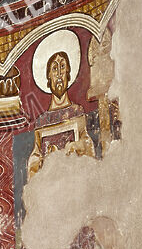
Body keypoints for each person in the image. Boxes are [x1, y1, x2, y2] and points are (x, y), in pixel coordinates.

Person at [28, 50, 94, 179]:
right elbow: (36, 154)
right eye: (54, 69)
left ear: (68, 74)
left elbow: (86, 143)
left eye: (62, 67)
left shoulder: (76, 111)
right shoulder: (42, 121)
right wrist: (37, 164)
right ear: (48, 78)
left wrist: (76, 146)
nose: (59, 74)